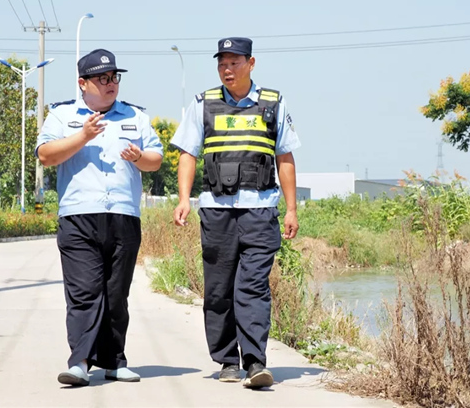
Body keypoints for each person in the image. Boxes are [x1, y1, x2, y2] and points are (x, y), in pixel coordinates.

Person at [171, 37, 301, 389]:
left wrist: (290, 208)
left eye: (234, 62)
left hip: (260, 211)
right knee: (218, 289)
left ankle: (256, 360)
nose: (227, 69)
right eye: (221, 64)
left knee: (253, 286)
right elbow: (187, 153)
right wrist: (184, 199)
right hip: (217, 211)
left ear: (251, 63)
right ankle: (228, 359)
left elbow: (285, 157)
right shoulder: (203, 104)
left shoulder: (274, 103)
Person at [36, 48, 163, 387]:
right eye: (102, 79)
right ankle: (79, 362)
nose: (110, 85)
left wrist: (139, 157)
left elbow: (156, 159)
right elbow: (46, 155)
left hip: (123, 216)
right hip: (79, 217)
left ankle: (113, 361)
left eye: (114, 78)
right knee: (84, 292)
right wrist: (83, 136)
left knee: (116, 293)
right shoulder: (62, 116)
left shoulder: (135, 117)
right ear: (83, 83)